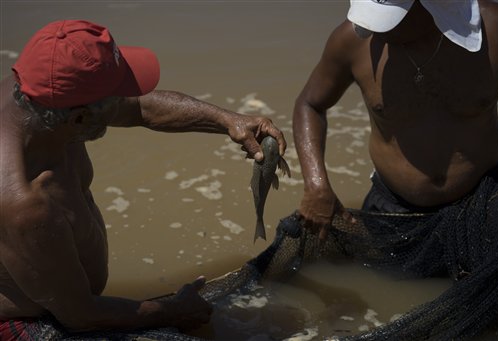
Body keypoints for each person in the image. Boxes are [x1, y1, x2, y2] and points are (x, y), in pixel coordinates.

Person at [0, 19, 286, 337]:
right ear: (81, 118)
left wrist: (228, 120)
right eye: (115, 96)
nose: (128, 98)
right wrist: (172, 311)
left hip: (70, 299)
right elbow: (79, 315)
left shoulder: (39, 96)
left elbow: (140, 109)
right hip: (35, 320)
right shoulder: (24, 200)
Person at [293, 0, 498, 238]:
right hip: (392, 206)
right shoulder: (353, 40)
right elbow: (310, 104)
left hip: (490, 194)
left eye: (389, 18)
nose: (378, 29)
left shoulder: (496, 28)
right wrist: (317, 186)